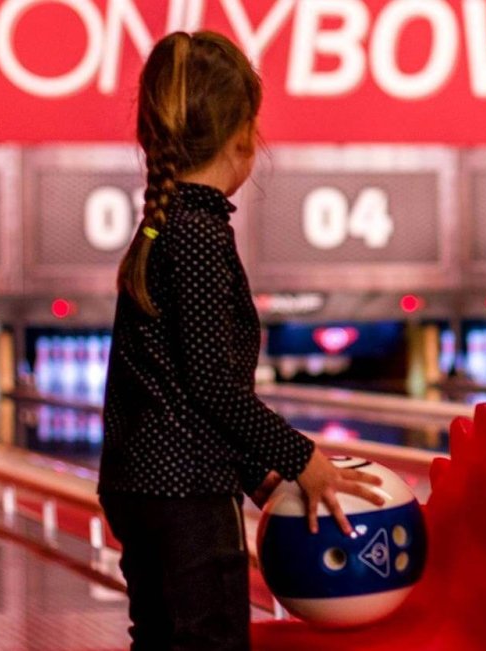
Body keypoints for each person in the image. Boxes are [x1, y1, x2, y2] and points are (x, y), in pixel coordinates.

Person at [99, 31, 383, 651]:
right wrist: (302, 458)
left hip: (145, 483)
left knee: (164, 638)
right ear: (244, 136)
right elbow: (209, 384)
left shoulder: (165, 227)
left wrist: (258, 475)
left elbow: (173, 379)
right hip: (183, 490)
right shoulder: (198, 232)